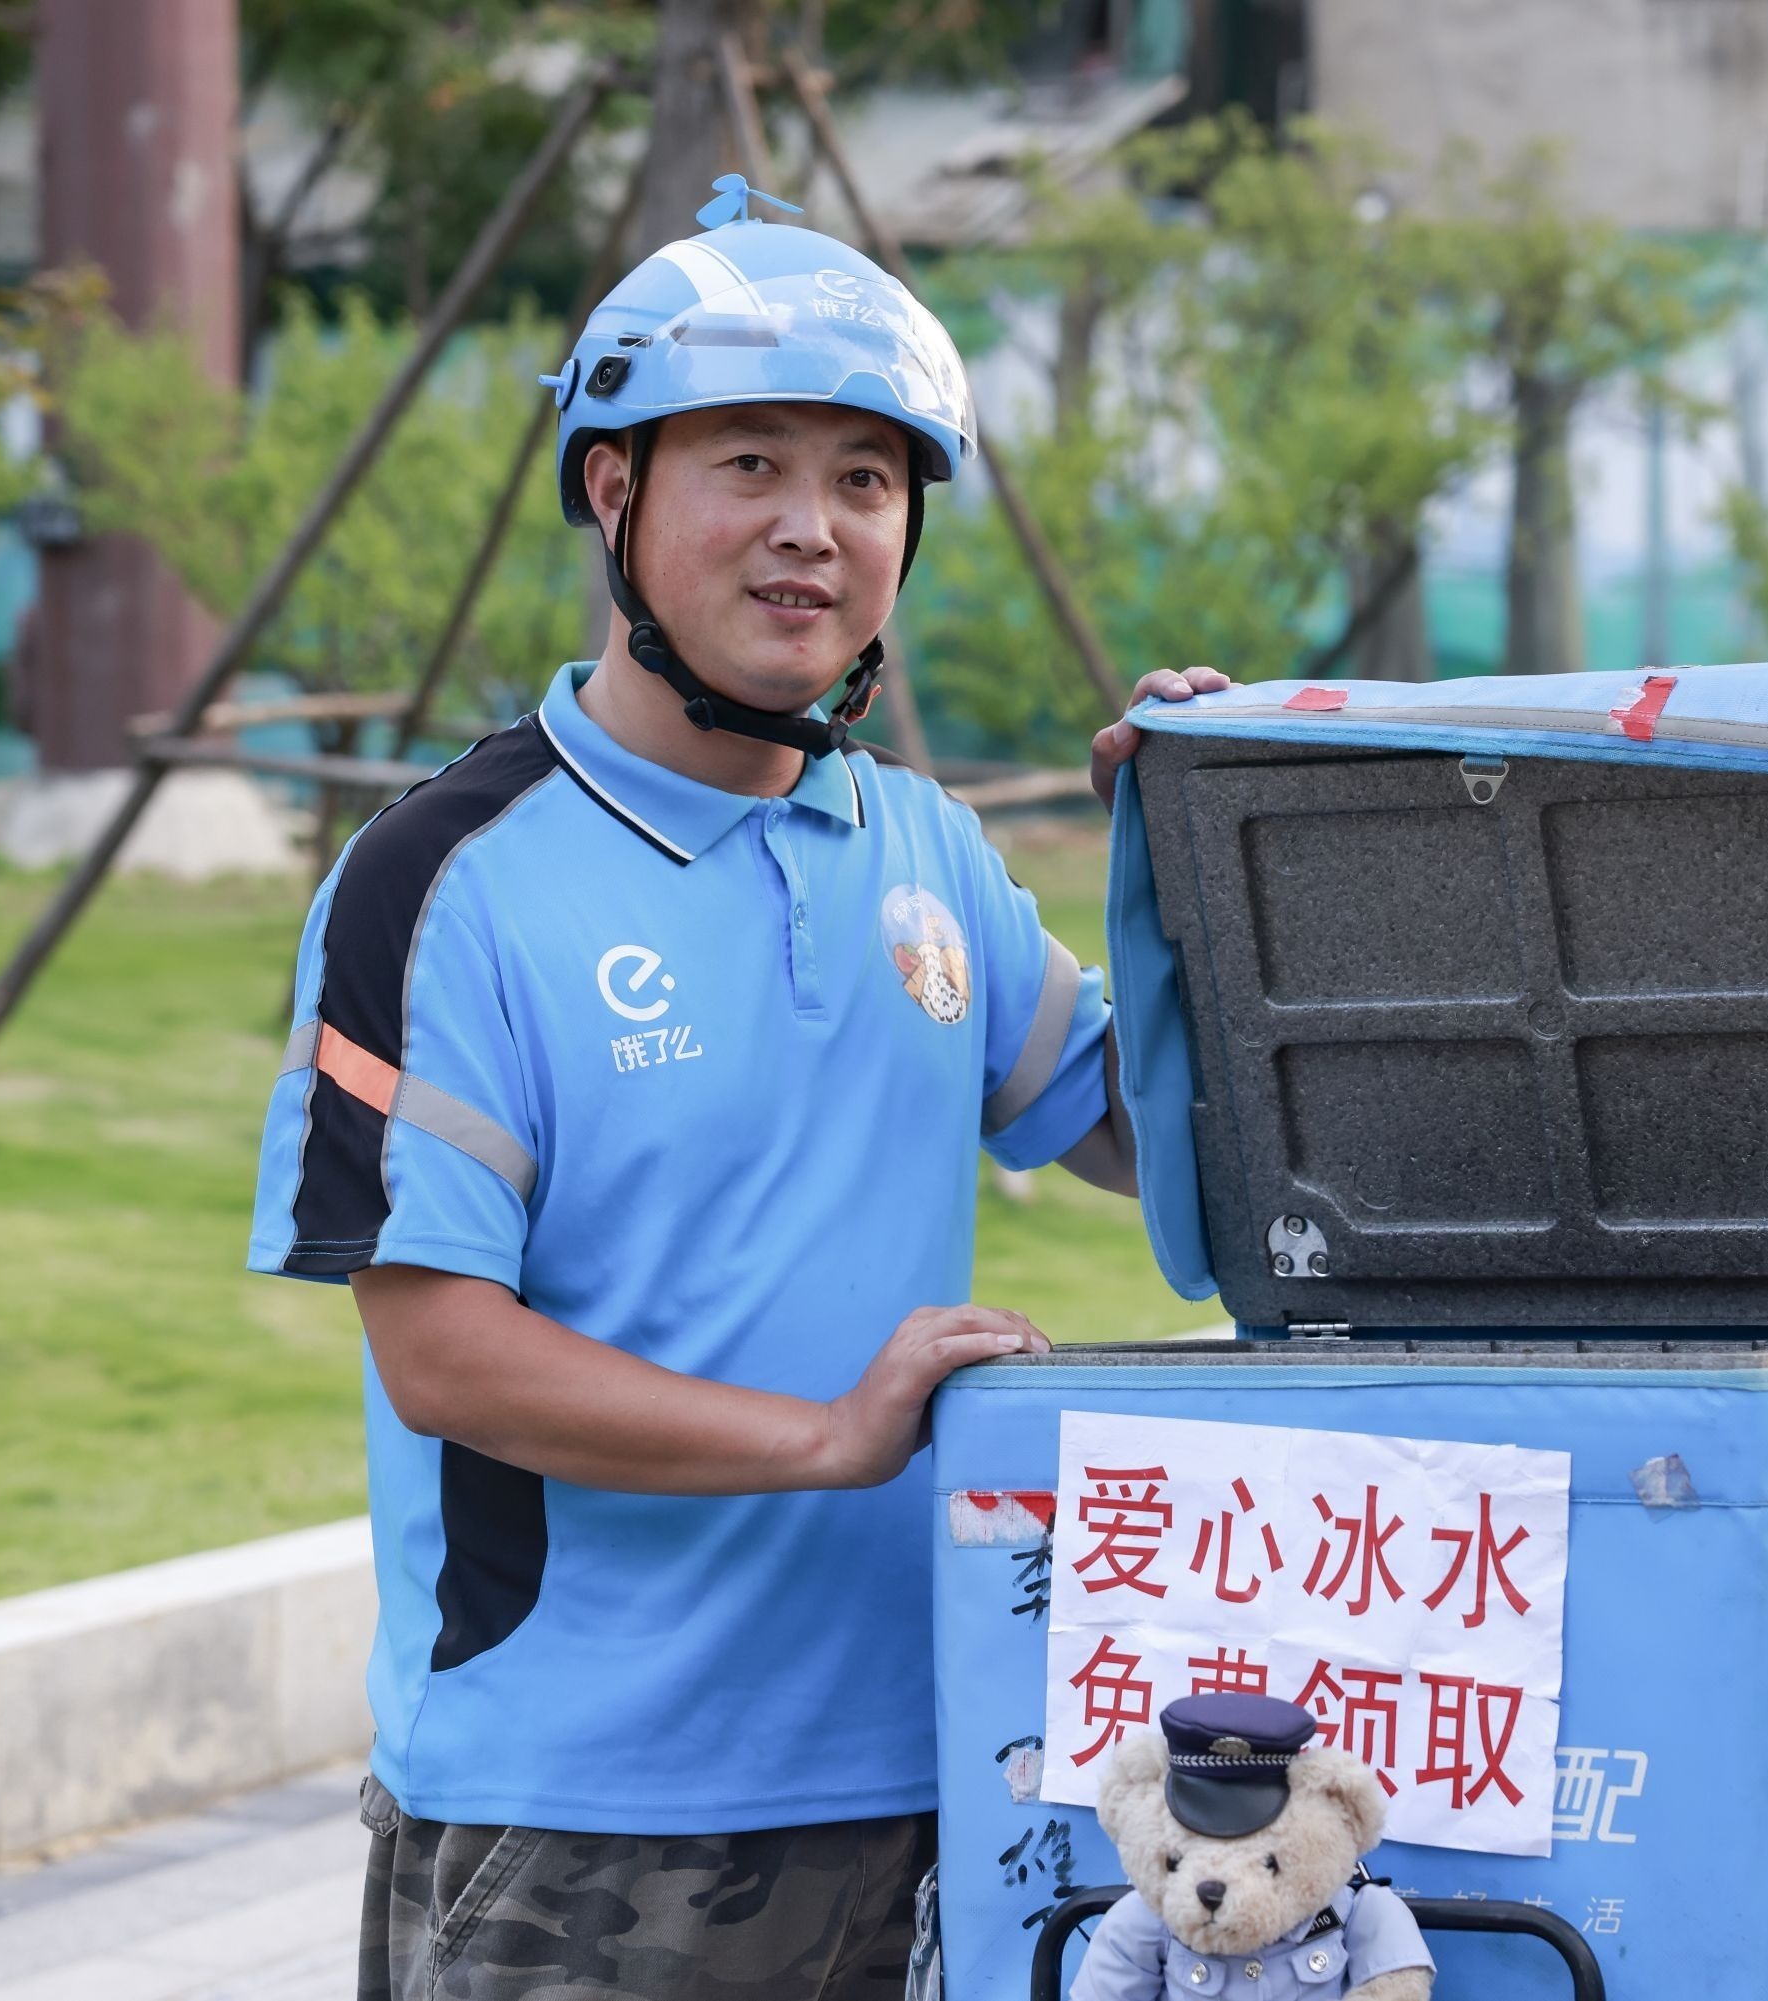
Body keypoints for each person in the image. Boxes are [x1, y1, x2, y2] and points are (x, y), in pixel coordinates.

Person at [247, 184, 1229, 2001]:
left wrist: (1224, 870)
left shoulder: (917, 842)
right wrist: (827, 1435)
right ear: (613, 492)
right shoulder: (444, 878)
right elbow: (440, 1345)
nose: (814, 529)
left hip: (933, 1776)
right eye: (751, 464)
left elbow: (1145, 1134)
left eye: (866, 480)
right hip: (584, 1817)